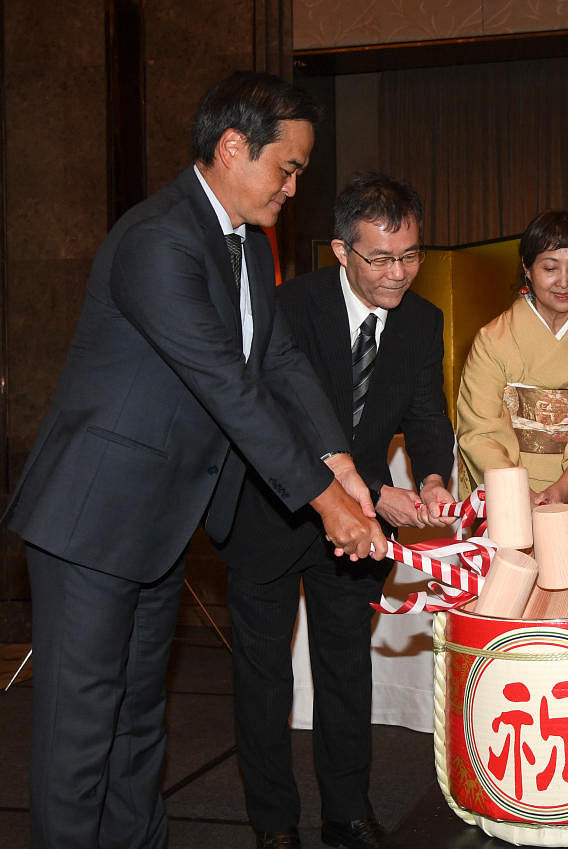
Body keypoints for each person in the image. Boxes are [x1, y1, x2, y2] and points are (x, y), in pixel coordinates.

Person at [2, 72, 388, 849]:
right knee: (81, 742)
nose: (292, 187)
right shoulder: (159, 238)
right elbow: (226, 385)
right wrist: (325, 501)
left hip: (157, 523)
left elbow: (277, 359)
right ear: (233, 146)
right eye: (288, 168)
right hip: (90, 522)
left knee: (141, 724)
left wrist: (340, 460)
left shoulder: (244, 246)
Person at [215, 173, 455, 849]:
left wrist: (433, 478)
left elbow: (427, 413)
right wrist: (375, 493)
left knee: (346, 667)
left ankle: (347, 811)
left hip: (356, 530)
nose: (398, 272)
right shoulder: (287, 306)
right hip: (270, 509)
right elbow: (277, 419)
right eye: (379, 257)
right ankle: (273, 820)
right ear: (341, 251)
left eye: (410, 254)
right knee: (262, 676)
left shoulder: (423, 320)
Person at [456, 209, 568, 540]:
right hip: (508, 490)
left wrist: (561, 491)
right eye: (550, 268)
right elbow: (479, 429)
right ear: (527, 268)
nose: (564, 282)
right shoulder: (493, 340)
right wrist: (518, 495)